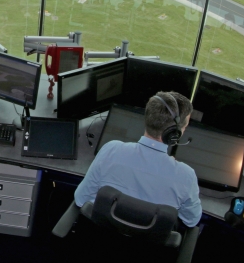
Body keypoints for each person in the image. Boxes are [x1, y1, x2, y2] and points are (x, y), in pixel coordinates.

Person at [73, 91, 201, 227]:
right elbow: (191, 220)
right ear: (174, 133)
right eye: (185, 126)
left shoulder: (111, 150)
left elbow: (81, 199)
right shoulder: (186, 176)